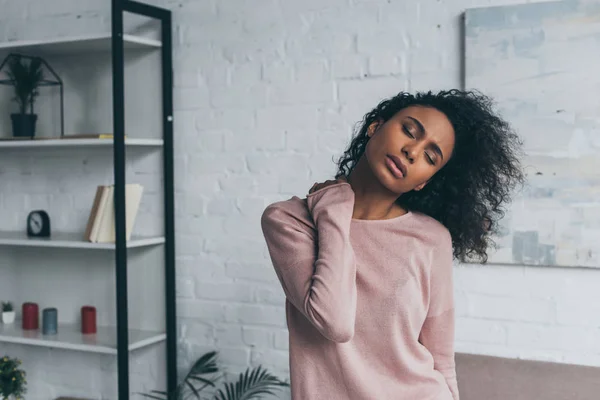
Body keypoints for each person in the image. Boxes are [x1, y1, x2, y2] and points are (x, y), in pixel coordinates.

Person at [260, 89, 524, 400]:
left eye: (430, 157)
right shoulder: (290, 220)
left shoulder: (431, 239)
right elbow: (334, 321)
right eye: (409, 131)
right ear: (375, 127)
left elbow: (441, 360)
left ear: (424, 180)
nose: (413, 151)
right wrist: (333, 209)